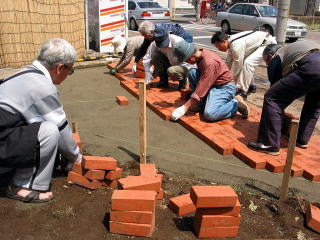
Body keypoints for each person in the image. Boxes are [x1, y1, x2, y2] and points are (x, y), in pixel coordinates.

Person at [0, 38, 82, 203]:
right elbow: (61, 129)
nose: (69, 74)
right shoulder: (41, 86)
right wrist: (78, 159)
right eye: (70, 70)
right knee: (49, 131)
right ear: (60, 68)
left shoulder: (24, 73)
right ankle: (24, 185)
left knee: (39, 127)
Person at [248, 41, 320, 155]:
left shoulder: (276, 57)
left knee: (272, 98)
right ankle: (301, 140)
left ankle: (269, 143)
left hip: (312, 66)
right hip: (315, 61)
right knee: (314, 104)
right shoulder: (291, 50)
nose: (267, 65)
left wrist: (278, 120)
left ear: (269, 56)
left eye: (266, 62)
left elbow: (276, 92)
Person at [170, 40, 250, 122]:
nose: (185, 62)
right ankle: (202, 103)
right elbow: (203, 81)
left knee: (210, 114)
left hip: (224, 87)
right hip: (212, 83)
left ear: (190, 57)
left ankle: (235, 104)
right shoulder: (200, 54)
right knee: (192, 72)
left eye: (185, 60)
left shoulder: (209, 63)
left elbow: (202, 88)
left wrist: (184, 108)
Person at [211, 31, 277, 99]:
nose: (218, 49)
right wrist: (220, 76)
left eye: (218, 46)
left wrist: (234, 86)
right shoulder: (231, 43)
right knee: (247, 61)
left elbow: (238, 67)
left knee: (248, 63)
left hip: (268, 44)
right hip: (261, 42)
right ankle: (251, 86)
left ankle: (243, 91)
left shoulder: (236, 45)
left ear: (223, 41)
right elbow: (228, 62)